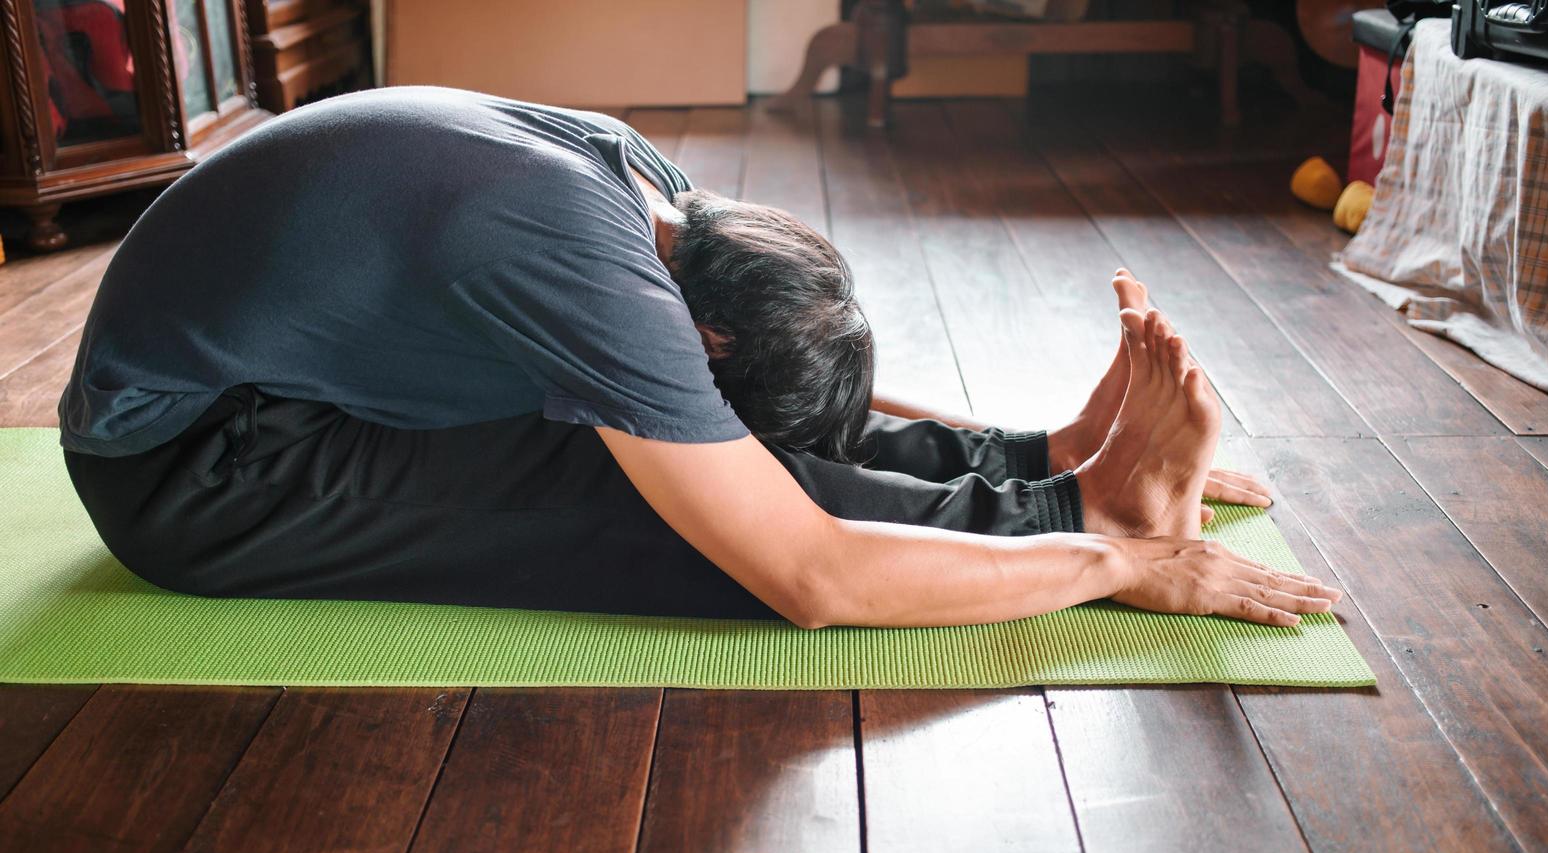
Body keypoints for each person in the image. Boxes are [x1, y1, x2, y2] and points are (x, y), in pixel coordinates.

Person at [58, 87, 1340, 629]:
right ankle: (1073, 508)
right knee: (647, 493)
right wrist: (1106, 558)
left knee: (698, 441)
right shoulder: (578, 262)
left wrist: (1032, 449)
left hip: (289, 367)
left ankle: (1052, 485)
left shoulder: (651, 195)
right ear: (694, 328)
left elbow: (783, 385)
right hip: (193, 465)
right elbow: (808, 571)